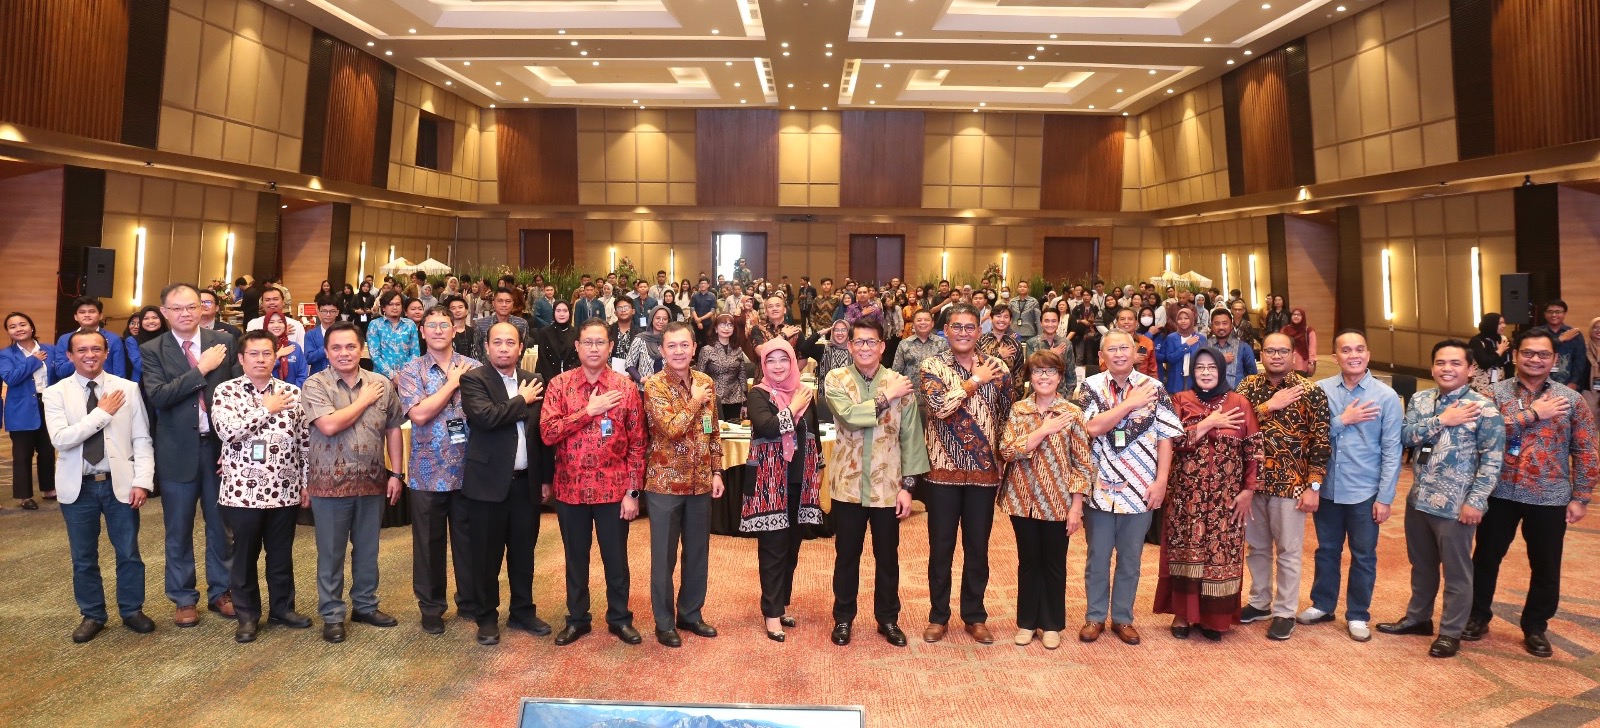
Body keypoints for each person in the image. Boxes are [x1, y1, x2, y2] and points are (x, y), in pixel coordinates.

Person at [1467, 328, 1598, 658]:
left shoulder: (1571, 400)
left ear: (1554, 360)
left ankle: (1536, 626)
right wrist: (1533, 414)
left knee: (1545, 564)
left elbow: (1585, 449)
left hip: (1549, 495)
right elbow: (1481, 432)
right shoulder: (1493, 394)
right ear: (1515, 356)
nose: (1535, 359)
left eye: (1543, 354)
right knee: (1485, 559)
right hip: (1497, 492)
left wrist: (1581, 496)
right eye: (1528, 353)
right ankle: (1477, 616)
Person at [1376, 340, 1504, 658]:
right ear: (1433, 366)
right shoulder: (1420, 399)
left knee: (1457, 571)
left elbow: (1492, 459)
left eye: (1455, 363)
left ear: (1471, 368)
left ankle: (1451, 631)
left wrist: (1476, 501)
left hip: (1456, 505)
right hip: (1419, 498)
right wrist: (1441, 421)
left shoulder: (1484, 408)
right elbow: (1404, 438)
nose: (1447, 368)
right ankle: (1419, 618)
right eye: (1440, 362)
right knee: (1421, 565)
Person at [1070, 330, 1183, 646]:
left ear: (1136, 353)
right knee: (1098, 557)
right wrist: (1129, 404)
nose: (1119, 354)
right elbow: (1090, 428)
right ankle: (1094, 617)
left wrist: (1161, 482)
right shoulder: (1089, 387)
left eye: (1124, 348)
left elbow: (1165, 438)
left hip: (1141, 489)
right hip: (1099, 487)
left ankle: (1122, 618)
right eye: (1111, 349)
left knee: (1131, 559)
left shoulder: (1156, 388)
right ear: (1101, 356)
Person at [44, 329, 157, 643]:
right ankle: (93, 614)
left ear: (106, 353)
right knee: (83, 557)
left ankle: (132, 610)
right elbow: (61, 440)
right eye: (81, 350)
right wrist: (101, 413)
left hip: (119, 484)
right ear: (69, 355)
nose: (89, 355)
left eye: (96, 349)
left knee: (129, 553)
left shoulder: (128, 388)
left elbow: (142, 440)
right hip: (77, 487)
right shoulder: (56, 393)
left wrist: (142, 481)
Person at [540, 319, 648, 646]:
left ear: (611, 347)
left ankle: (619, 618)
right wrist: (589, 411)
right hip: (570, 490)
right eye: (587, 342)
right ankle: (577, 619)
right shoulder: (559, 385)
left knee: (616, 560)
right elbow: (548, 433)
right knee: (576, 558)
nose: (594, 348)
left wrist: (632, 492)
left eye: (600, 342)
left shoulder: (625, 387)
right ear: (577, 346)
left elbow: (638, 444)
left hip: (614, 491)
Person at [824, 318, 928, 648]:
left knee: (888, 557)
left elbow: (912, 438)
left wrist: (908, 487)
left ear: (883, 346)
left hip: (888, 486)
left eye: (872, 342)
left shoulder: (901, 383)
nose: (866, 348)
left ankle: (887, 618)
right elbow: (850, 417)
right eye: (859, 342)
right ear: (850, 346)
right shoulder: (836, 379)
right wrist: (886, 397)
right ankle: (843, 618)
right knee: (846, 556)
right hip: (848, 487)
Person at [301, 322, 406, 643]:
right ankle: (332, 614)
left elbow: (393, 428)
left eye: (350, 347)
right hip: (329, 485)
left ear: (362, 349)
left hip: (372, 481)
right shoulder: (315, 384)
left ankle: (365, 605)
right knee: (330, 554)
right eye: (336, 348)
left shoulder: (382, 384)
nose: (344, 353)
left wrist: (397, 473)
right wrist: (363, 401)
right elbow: (330, 425)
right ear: (327, 352)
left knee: (367, 550)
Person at [141, 283, 240, 626]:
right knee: (178, 529)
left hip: (218, 450)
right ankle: (183, 598)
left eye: (192, 307)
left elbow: (236, 394)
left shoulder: (224, 343)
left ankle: (222, 592)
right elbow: (160, 396)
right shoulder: (153, 349)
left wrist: (233, 447)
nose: (185, 313)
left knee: (221, 527)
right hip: (176, 451)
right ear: (165, 312)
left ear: (202, 309)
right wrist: (201, 370)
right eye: (177, 308)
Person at [917, 304, 1013, 644]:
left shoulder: (998, 367)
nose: (962, 332)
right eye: (956, 326)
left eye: (969, 326)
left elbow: (1006, 417)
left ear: (978, 330)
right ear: (946, 329)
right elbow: (940, 407)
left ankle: (975, 616)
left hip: (984, 474)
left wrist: (1003, 458)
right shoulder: (931, 365)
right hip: (942, 473)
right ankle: (938, 616)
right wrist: (974, 382)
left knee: (978, 548)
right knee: (940, 548)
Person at [211, 330, 314, 643]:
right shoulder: (226, 391)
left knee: (281, 554)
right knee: (244, 557)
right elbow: (228, 432)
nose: (260, 359)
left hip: (284, 489)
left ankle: (283, 608)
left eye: (266, 353)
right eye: (253, 354)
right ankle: (247, 616)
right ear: (241, 359)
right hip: (241, 492)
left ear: (276, 357)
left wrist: (306, 481)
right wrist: (265, 409)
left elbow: (305, 442)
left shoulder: (292, 393)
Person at [1301, 329, 1402, 642]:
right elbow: (1308, 437)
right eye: (1346, 350)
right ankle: (1323, 604)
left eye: (1359, 349)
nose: (1353, 355)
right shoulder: (1320, 390)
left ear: (1368, 355)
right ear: (1335, 357)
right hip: (1328, 486)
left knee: (1364, 555)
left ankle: (1358, 614)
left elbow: (1392, 450)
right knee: (1327, 550)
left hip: (1365, 490)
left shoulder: (1385, 397)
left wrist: (1384, 498)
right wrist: (1342, 420)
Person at [1155, 347, 1261, 641]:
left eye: (1211, 368)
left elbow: (1253, 449)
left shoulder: (1239, 403)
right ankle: (1182, 616)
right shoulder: (1180, 401)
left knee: (1220, 555)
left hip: (1225, 500)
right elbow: (1169, 441)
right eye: (1199, 368)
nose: (1205, 373)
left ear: (1221, 370)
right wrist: (1207, 424)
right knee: (1185, 553)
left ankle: (1215, 619)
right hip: (1185, 498)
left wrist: (1248, 490)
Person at [460, 321, 554, 646]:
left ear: (520, 347)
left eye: (509, 343)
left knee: (523, 553)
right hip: (487, 484)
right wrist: (521, 402)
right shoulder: (473, 379)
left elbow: (541, 434)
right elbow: (485, 417)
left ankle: (523, 611)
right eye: (497, 342)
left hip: (525, 484)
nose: (503, 348)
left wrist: (544, 479)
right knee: (486, 555)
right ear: (486, 347)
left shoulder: (534, 380)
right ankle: (486, 617)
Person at [1235, 332, 1332, 640]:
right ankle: (1260, 602)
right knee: (1257, 547)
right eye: (1269, 351)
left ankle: (1285, 610)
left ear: (1293, 356)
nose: (1276, 356)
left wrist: (1313, 487)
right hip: (1252, 483)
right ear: (1261, 354)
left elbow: (1321, 442)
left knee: (1289, 551)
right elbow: (1237, 426)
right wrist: (1269, 406)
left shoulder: (1310, 391)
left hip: (1291, 485)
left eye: (1282, 351)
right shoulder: (1248, 387)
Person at [395, 307, 484, 636]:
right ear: (421, 332)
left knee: (468, 540)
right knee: (428, 543)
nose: (437, 330)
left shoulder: (474, 368)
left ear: (454, 329)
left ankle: (470, 601)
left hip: (468, 469)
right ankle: (431, 606)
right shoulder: (411, 370)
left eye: (443, 325)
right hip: (427, 471)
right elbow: (418, 415)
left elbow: (484, 413)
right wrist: (451, 385)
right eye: (430, 325)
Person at [997, 349, 1092, 649]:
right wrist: (1043, 430)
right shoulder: (1019, 410)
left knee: (1054, 563)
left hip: (1059, 501)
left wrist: (1077, 507)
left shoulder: (1072, 414)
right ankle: (1026, 622)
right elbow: (1007, 450)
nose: (1044, 377)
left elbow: (1083, 464)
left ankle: (1051, 624)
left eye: (1050, 372)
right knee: (1028, 562)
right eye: (1038, 372)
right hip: (1021, 499)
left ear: (1060, 377)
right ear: (1030, 377)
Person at [641, 322, 725, 647]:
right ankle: (664, 623)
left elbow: (712, 430)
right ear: (662, 351)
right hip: (664, 484)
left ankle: (690, 613)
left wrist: (717, 471)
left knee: (697, 553)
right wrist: (693, 400)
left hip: (700, 481)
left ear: (693, 349)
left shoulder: (705, 382)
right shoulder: (655, 386)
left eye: (684, 345)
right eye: (671, 346)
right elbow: (670, 429)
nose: (678, 351)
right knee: (664, 557)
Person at [741, 338, 823, 642]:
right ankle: (771, 613)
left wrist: (817, 473)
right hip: (770, 483)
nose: (778, 366)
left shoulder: (805, 394)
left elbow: (812, 434)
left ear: (793, 362)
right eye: (771, 360)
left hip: (800, 482)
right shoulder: (758, 394)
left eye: (784, 360)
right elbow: (768, 427)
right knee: (773, 550)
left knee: (791, 550)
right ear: (763, 365)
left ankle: (781, 603)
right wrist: (793, 408)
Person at [2, 312, 57, 510]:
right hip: (21, 408)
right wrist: (33, 360)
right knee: (23, 453)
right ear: (9, 332)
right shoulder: (6, 354)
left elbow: (59, 373)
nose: (18, 328)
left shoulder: (50, 349)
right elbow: (11, 378)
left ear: (31, 327)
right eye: (13, 326)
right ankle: (24, 496)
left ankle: (49, 488)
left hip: (49, 404)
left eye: (22, 324)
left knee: (48, 449)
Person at [52, 297, 133, 380]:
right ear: (75, 317)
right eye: (82, 312)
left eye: (92, 311)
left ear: (100, 315)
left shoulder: (114, 339)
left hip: (106, 388)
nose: (87, 315)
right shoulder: (64, 339)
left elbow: (119, 373)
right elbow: (60, 371)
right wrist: (79, 357)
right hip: (72, 388)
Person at [695, 313, 749, 422]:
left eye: (730, 325)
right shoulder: (706, 350)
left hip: (735, 397)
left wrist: (745, 400)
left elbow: (742, 374)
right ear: (715, 328)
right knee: (714, 431)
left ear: (734, 329)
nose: (726, 328)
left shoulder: (738, 350)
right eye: (723, 324)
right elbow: (699, 376)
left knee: (734, 432)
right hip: (713, 398)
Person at [1531, 300, 1590, 389]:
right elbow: (1534, 350)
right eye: (1550, 312)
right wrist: (1560, 339)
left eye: (1558, 312)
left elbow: (1580, 361)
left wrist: (1574, 382)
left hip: (1567, 384)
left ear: (1564, 313)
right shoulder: (1536, 332)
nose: (1554, 315)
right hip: (1539, 383)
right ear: (1545, 314)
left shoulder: (1574, 334)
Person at [367, 291, 420, 379]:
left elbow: (415, 353)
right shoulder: (375, 325)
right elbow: (375, 355)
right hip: (381, 377)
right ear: (383, 307)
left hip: (407, 377)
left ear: (402, 307)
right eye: (390, 304)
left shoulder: (410, 325)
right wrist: (392, 375)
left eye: (398, 304)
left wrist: (403, 374)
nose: (394, 307)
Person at [473, 288, 530, 363]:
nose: (504, 305)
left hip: (512, 369)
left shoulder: (522, 324)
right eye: (500, 301)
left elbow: (521, 351)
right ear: (493, 304)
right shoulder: (481, 324)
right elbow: (478, 350)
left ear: (513, 304)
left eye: (508, 301)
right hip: (487, 370)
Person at [891, 310, 949, 383]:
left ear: (932, 323)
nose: (923, 322)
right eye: (919, 320)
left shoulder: (942, 343)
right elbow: (896, 371)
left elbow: (949, 370)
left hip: (936, 392)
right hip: (910, 392)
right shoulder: (904, 344)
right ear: (913, 324)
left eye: (927, 320)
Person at [1207, 308, 1258, 389]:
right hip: (1210, 397)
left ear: (1231, 325)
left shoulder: (1243, 347)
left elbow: (1253, 376)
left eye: (1225, 323)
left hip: (1237, 397)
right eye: (1217, 324)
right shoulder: (1204, 346)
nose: (1221, 327)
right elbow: (1198, 371)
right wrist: (1221, 359)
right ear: (1211, 326)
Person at [532, 300, 581, 384]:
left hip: (572, 379)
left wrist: (567, 376)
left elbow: (579, 357)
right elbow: (543, 358)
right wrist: (553, 381)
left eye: (565, 311)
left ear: (570, 312)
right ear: (553, 312)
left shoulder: (577, 332)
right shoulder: (545, 332)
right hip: (548, 379)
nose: (561, 314)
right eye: (558, 311)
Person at [978, 305, 1024, 392]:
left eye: (1006, 317)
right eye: (998, 316)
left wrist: (1017, 394)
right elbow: (977, 365)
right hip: (984, 392)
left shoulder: (1015, 344)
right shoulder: (981, 340)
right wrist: (998, 355)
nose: (1002, 320)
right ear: (991, 319)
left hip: (1008, 393)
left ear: (1010, 321)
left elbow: (1019, 371)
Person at [1160, 305, 1204, 394]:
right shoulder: (1171, 338)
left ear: (1191, 320)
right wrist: (1186, 346)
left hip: (1194, 381)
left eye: (1186, 318)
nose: (1183, 321)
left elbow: (1203, 360)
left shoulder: (1200, 338)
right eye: (1180, 319)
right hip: (1175, 381)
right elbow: (1170, 358)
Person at [626, 306, 671, 385]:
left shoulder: (671, 341)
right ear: (651, 319)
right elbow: (629, 363)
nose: (661, 321)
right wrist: (640, 379)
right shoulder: (640, 339)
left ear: (669, 321)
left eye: (664, 319)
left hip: (667, 389)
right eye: (657, 318)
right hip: (644, 389)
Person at [1469, 313, 1512, 395]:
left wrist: (1509, 385)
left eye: (1504, 323)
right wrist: (1499, 351)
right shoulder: (1477, 341)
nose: (1504, 326)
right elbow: (1484, 362)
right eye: (1500, 323)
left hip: (1500, 383)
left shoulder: (1503, 340)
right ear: (1491, 324)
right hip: (1480, 383)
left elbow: (1509, 365)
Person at [263, 311, 308, 389]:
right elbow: (261, 372)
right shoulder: (261, 347)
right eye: (271, 322)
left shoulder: (294, 347)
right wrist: (277, 356)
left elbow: (303, 374)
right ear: (266, 325)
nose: (276, 325)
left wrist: (293, 392)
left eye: (280, 322)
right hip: (267, 395)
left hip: (294, 395)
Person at [305, 300, 341, 376]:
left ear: (337, 312)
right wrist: (328, 347)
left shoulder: (343, 333)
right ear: (318, 312)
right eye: (324, 311)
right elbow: (308, 358)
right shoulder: (310, 334)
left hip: (341, 376)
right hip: (317, 378)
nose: (328, 314)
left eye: (332, 311)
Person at [1281, 307, 1317, 377]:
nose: (1296, 316)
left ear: (1303, 317)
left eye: (1299, 315)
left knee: (1301, 384)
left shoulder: (1309, 330)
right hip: (1287, 362)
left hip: (1302, 364)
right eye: (1294, 314)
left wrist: (1311, 363)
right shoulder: (1284, 330)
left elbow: (1312, 348)